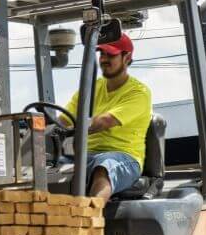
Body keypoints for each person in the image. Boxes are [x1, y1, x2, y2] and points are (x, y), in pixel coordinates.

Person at [62, 33, 152, 201]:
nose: (104, 59)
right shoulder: (91, 89)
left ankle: (89, 221)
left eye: (110, 54)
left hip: (124, 157)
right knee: (48, 167)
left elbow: (105, 121)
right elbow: (63, 120)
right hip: (86, 155)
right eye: (102, 54)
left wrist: (71, 130)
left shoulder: (139, 93)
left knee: (104, 166)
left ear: (127, 58)